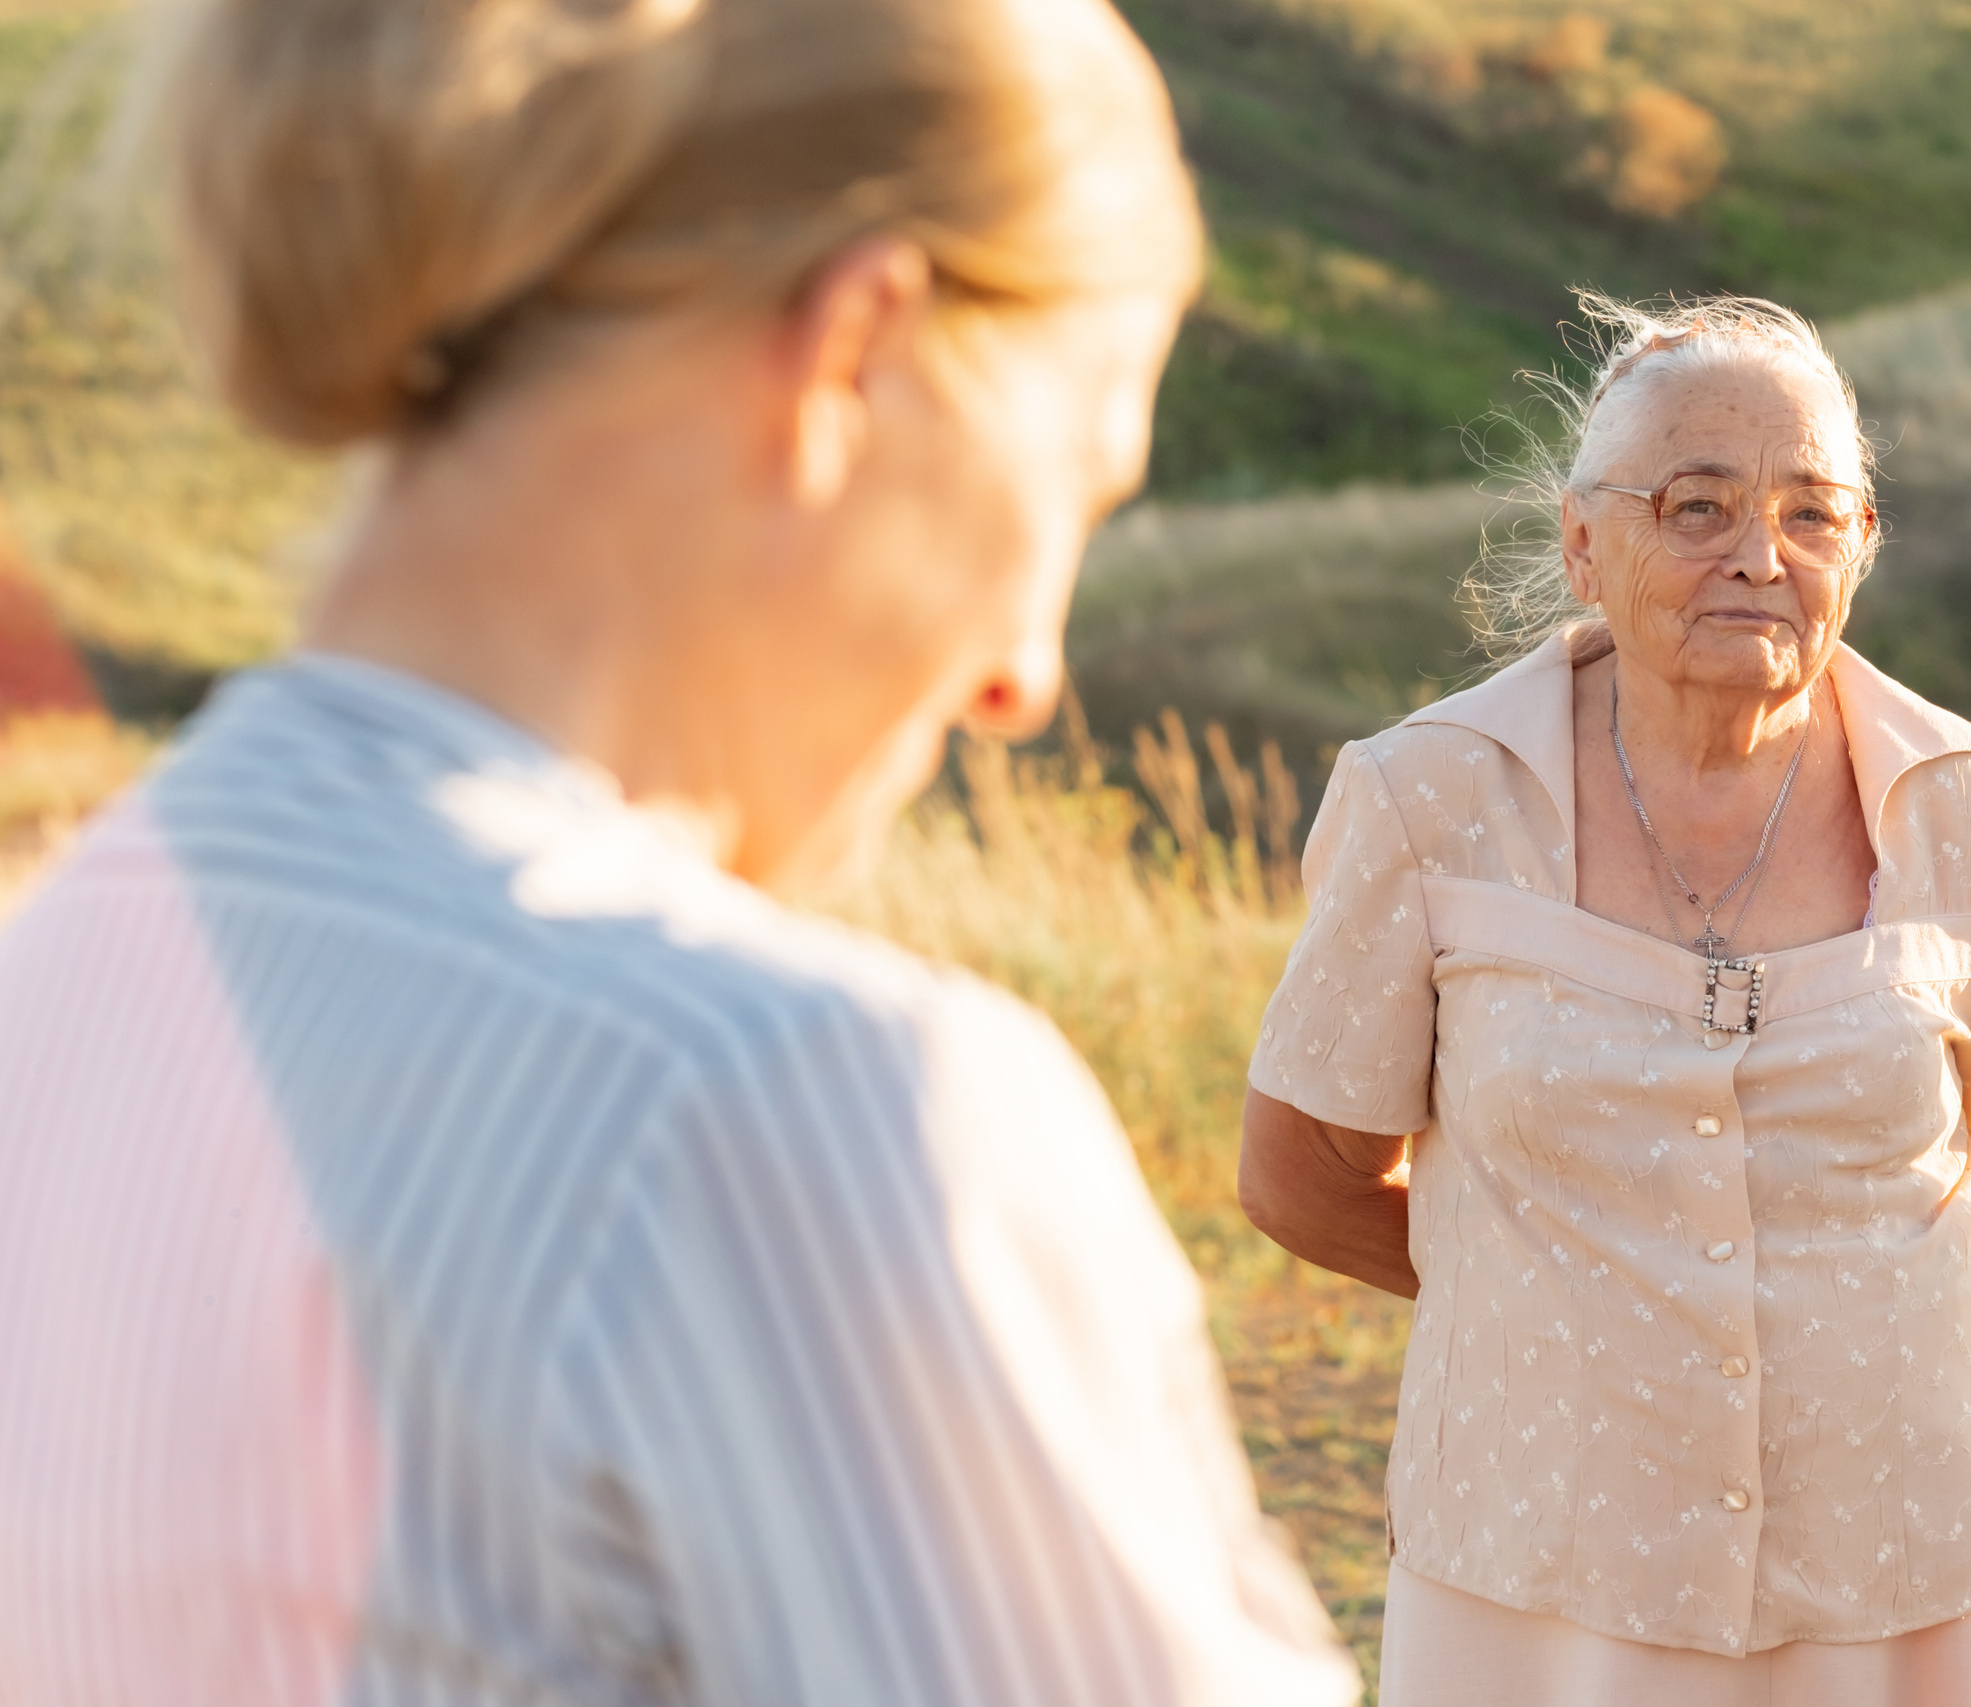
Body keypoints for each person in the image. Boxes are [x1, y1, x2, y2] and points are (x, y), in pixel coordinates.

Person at [0, 1, 1359, 1701]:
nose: (1026, 674)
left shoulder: (53, 977)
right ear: (857, 347)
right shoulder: (787, 1105)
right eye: (1069, 495)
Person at [1239, 295, 1971, 1707]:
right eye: (1695, 506)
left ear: (1864, 545)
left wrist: (1807, 1307)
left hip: (1903, 1543)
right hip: (1546, 1547)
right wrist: (1571, 1305)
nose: (1758, 556)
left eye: (1812, 515)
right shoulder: (1429, 800)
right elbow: (1299, 1172)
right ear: (1587, 545)